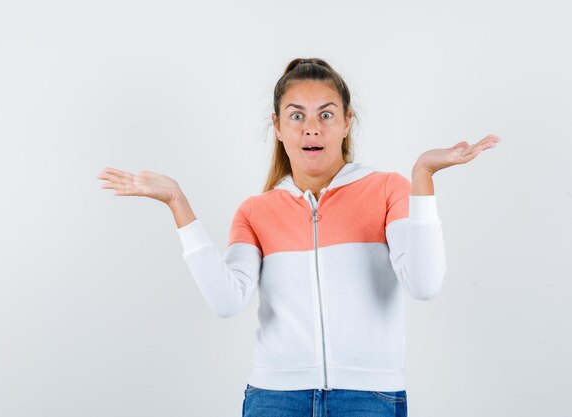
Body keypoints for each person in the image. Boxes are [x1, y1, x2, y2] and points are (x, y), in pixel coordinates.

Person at [96, 58, 501, 417]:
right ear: (277, 126)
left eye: (326, 115)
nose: (311, 128)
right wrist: (176, 201)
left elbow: (425, 285)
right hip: (275, 398)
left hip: (370, 398)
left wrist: (422, 178)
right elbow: (226, 301)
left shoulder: (388, 190)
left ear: (346, 123)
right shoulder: (255, 211)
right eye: (296, 116)